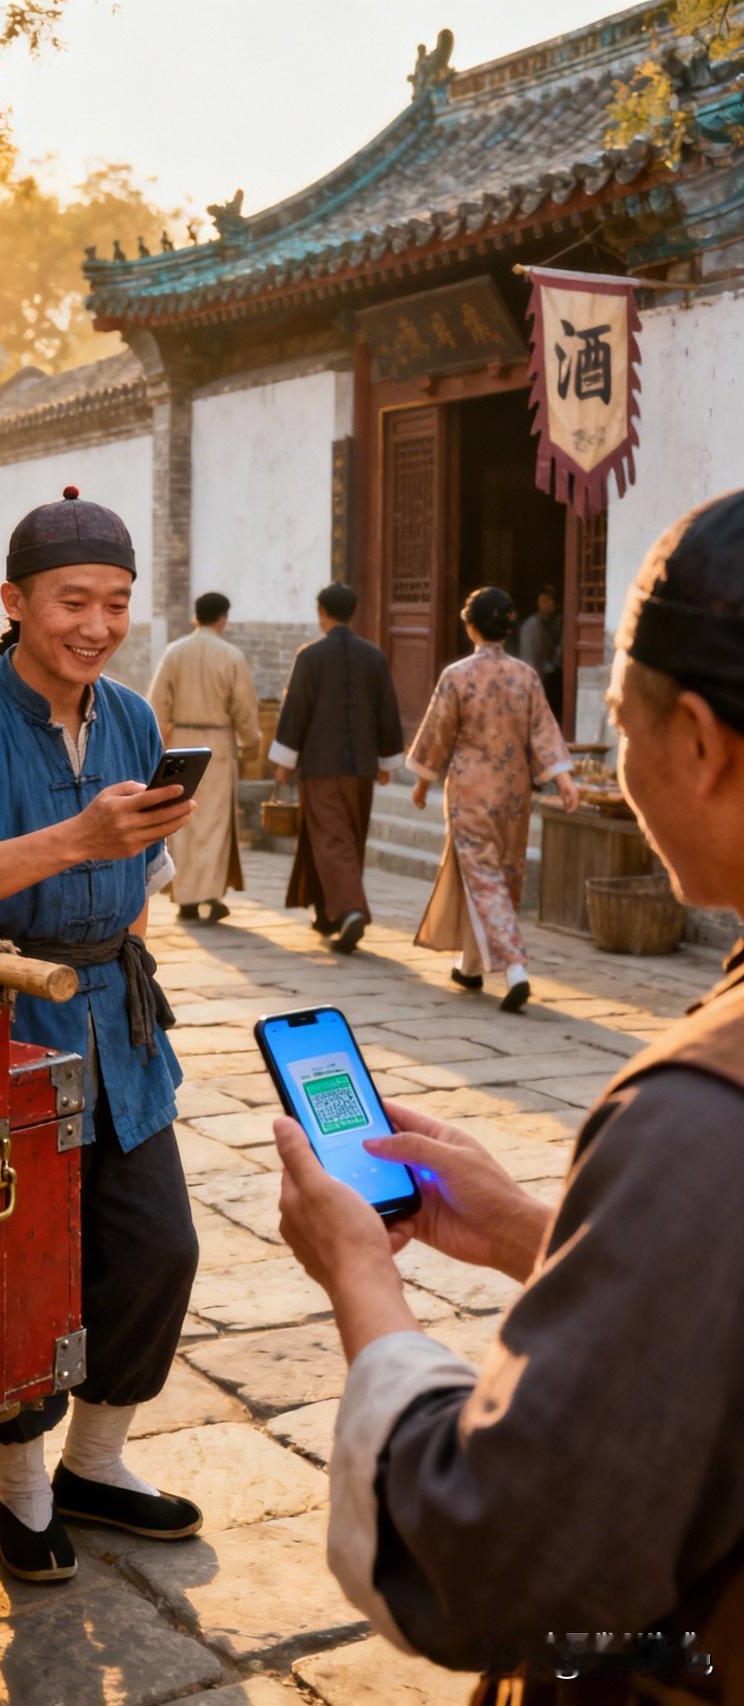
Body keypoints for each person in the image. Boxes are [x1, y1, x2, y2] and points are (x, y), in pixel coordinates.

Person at [272, 490, 744, 1702]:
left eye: (626, 725)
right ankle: (510, 958)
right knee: (492, 886)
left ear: (699, 740)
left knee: (476, 881)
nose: (623, 757)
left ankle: (504, 960)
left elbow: (491, 1542)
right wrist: (547, 1234)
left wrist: (361, 1277)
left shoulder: (699, 1113)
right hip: (512, 790)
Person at [0, 485, 201, 1585]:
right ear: (13, 600)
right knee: (12, 1267)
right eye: (72, 601)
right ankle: (22, 1490)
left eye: (114, 601)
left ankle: (97, 1460)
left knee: (156, 1249)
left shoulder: (133, 717)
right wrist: (69, 840)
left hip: (119, 1028)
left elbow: (145, 869)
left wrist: (112, 919)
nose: (97, 625)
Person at [409, 586, 578, 1012]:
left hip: (469, 789)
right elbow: (543, 731)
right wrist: (562, 778)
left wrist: (423, 782)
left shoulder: (458, 675)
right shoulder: (526, 675)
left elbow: (437, 734)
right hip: (514, 790)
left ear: (469, 625)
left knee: (483, 877)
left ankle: (515, 967)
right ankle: (469, 965)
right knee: (498, 874)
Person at [271, 582, 404, 954]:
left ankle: (349, 910)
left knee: (331, 839)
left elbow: (295, 710)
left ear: (322, 613)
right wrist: (386, 760)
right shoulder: (373, 656)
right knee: (345, 838)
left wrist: (284, 762)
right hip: (361, 767)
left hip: (321, 766)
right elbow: (387, 712)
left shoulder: (310, 657)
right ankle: (327, 913)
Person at [148, 591, 259, 923]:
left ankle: (186, 897)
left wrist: (158, 744)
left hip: (182, 743)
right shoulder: (231, 655)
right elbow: (244, 707)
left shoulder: (175, 652)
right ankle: (209, 894)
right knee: (214, 823)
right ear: (223, 618)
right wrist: (251, 741)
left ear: (195, 616)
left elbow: (156, 704)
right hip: (219, 744)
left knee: (184, 819)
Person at [518, 583, 564, 722]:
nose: (547, 604)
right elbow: (530, 661)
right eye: (543, 600)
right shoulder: (533, 626)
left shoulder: (553, 622)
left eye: (550, 600)